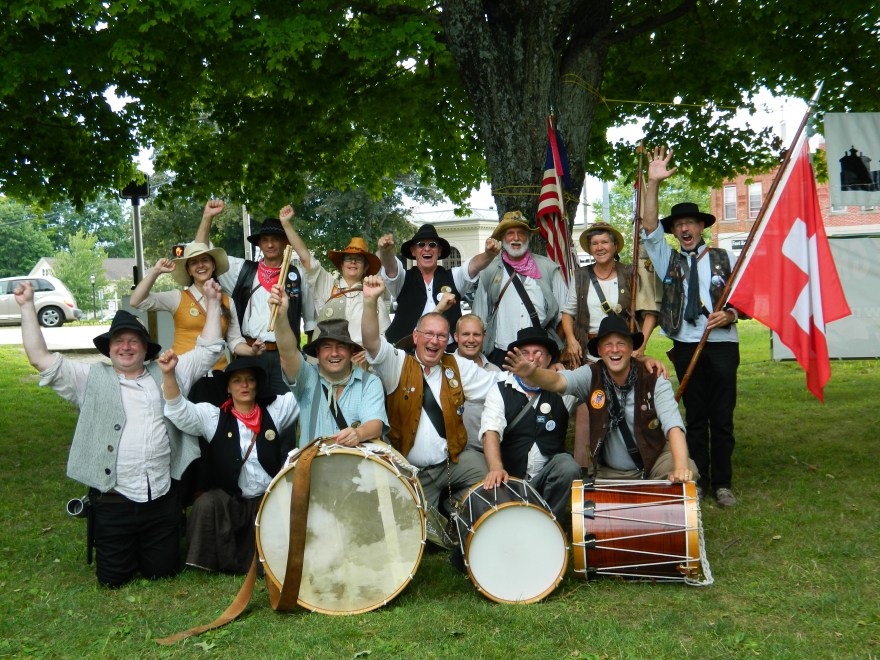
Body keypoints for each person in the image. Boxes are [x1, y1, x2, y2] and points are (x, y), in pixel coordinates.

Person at [14, 279, 225, 587]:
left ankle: (153, 543)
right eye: (119, 341)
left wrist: (214, 301)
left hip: (162, 499)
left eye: (133, 341)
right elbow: (39, 358)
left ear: (144, 347)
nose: (126, 346)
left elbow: (208, 350)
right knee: (113, 580)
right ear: (109, 348)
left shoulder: (168, 370)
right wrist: (27, 307)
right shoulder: (89, 378)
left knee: (162, 573)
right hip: (114, 502)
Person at [641, 147, 741, 507]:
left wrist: (729, 315)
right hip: (685, 344)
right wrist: (652, 182)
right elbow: (650, 226)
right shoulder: (667, 257)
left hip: (722, 344)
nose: (684, 228)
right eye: (678, 225)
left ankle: (724, 483)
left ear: (701, 227)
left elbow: (743, 299)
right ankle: (697, 478)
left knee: (722, 414)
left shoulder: (723, 257)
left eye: (690, 223)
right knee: (695, 414)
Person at [360, 275, 502, 515]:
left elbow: (499, 385)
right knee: (411, 528)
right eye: (429, 334)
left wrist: (535, 375)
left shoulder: (457, 365)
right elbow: (372, 342)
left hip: (452, 464)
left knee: (485, 473)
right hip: (411, 471)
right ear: (416, 337)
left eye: (441, 336)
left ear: (448, 341)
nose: (434, 341)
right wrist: (370, 302)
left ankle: (454, 503)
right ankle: (443, 507)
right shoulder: (396, 364)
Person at [505, 314, 699, 484]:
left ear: (632, 347)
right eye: (608, 344)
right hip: (613, 472)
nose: (614, 349)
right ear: (599, 350)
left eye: (621, 343)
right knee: (601, 518)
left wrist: (680, 467)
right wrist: (533, 373)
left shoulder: (653, 376)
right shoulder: (591, 375)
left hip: (656, 462)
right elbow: (557, 382)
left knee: (684, 470)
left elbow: (674, 426)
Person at [161, 356, 299, 573]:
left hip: (267, 500)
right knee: (206, 503)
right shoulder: (213, 417)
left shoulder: (275, 410)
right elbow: (177, 410)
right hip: (231, 501)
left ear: (257, 385)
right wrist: (169, 374)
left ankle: (281, 558)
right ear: (228, 387)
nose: (244, 385)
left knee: (292, 499)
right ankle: (206, 562)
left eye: (250, 380)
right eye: (237, 381)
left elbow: (304, 391)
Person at [559, 222, 661, 468]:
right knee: (588, 406)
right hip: (591, 349)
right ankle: (584, 466)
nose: (600, 247)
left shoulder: (630, 273)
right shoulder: (581, 276)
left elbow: (650, 312)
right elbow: (567, 312)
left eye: (605, 242)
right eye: (595, 244)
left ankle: (630, 459)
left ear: (615, 246)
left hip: (621, 350)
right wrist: (572, 340)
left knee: (626, 403)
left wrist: (641, 345)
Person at [195, 199, 316, 394]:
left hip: (286, 355)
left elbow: (310, 321)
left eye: (276, 239)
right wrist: (207, 217)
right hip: (249, 354)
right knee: (249, 410)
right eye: (265, 239)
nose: (270, 244)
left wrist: (310, 359)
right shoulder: (242, 270)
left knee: (286, 414)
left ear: (286, 242)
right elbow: (202, 251)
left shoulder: (297, 276)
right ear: (259, 243)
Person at [480, 327, 581, 521]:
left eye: (538, 353)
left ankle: (551, 522)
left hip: (546, 481)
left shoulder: (563, 391)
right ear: (516, 358)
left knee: (568, 466)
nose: (531, 358)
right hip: (511, 480)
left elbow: (595, 379)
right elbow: (490, 431)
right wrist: (495, 468)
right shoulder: (500, 390)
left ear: (549, 359)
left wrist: (642, 359)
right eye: (525, 353)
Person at [271, 285, 388, 449]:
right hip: (311, 469)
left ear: (351, 351)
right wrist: (281, 317)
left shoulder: (369, 382)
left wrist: (358, 434)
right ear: (317, 353)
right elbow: (288, 353)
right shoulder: (307, 378)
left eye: (341, 346)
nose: (334, 353)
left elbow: (376, 423)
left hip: (356, 470)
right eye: (326, 347)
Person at [130, 244, 261, 371]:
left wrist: (252, 350)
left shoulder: (227, 301)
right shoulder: (178, 297)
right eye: (194, 262)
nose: (200, 265)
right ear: (189, 271)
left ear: (213, 265)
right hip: (183, 371)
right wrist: (156, 271)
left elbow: (234, 340)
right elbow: (137, 301)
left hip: (218, 373)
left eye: (205, 260)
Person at [279, 205, 390, 348]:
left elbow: (383, 335)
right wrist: (286, 224)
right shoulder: (328, 286)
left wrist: (368, 351)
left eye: (359, 259)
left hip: (362, 363)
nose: (353, 262)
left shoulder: (373, 296)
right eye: (349, 258)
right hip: (329, 361)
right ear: (341, 264)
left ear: (366, 267)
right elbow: (306, 258)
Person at [472, 211, 569, 366]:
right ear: (503, 238)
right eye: (510, 233)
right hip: (500, 354)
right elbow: (478, 318)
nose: (516, 238)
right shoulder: (488, 271)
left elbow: (566, 314)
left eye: (521, 233)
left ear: (528, 238)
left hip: (538, 356)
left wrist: (552, 347)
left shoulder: (549, 269)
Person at [379, 224, 500, 346]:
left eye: (432, 245)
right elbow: (391, 268)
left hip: (447, 351)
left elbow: (473, 266)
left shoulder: (454, 276)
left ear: (439, 250)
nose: (427, 249)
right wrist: (386, 252)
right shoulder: (403, 278)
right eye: (421, 244)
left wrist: (488, 254)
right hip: (407, 351)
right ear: (413, 251)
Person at [452, 314, 501, 452]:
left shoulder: (495, 371)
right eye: (466, 334)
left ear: (484, 337)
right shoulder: (446, 368)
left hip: (488, 449)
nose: (471, 340)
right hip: (453, 451)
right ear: (456, 337)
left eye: (476, 334)